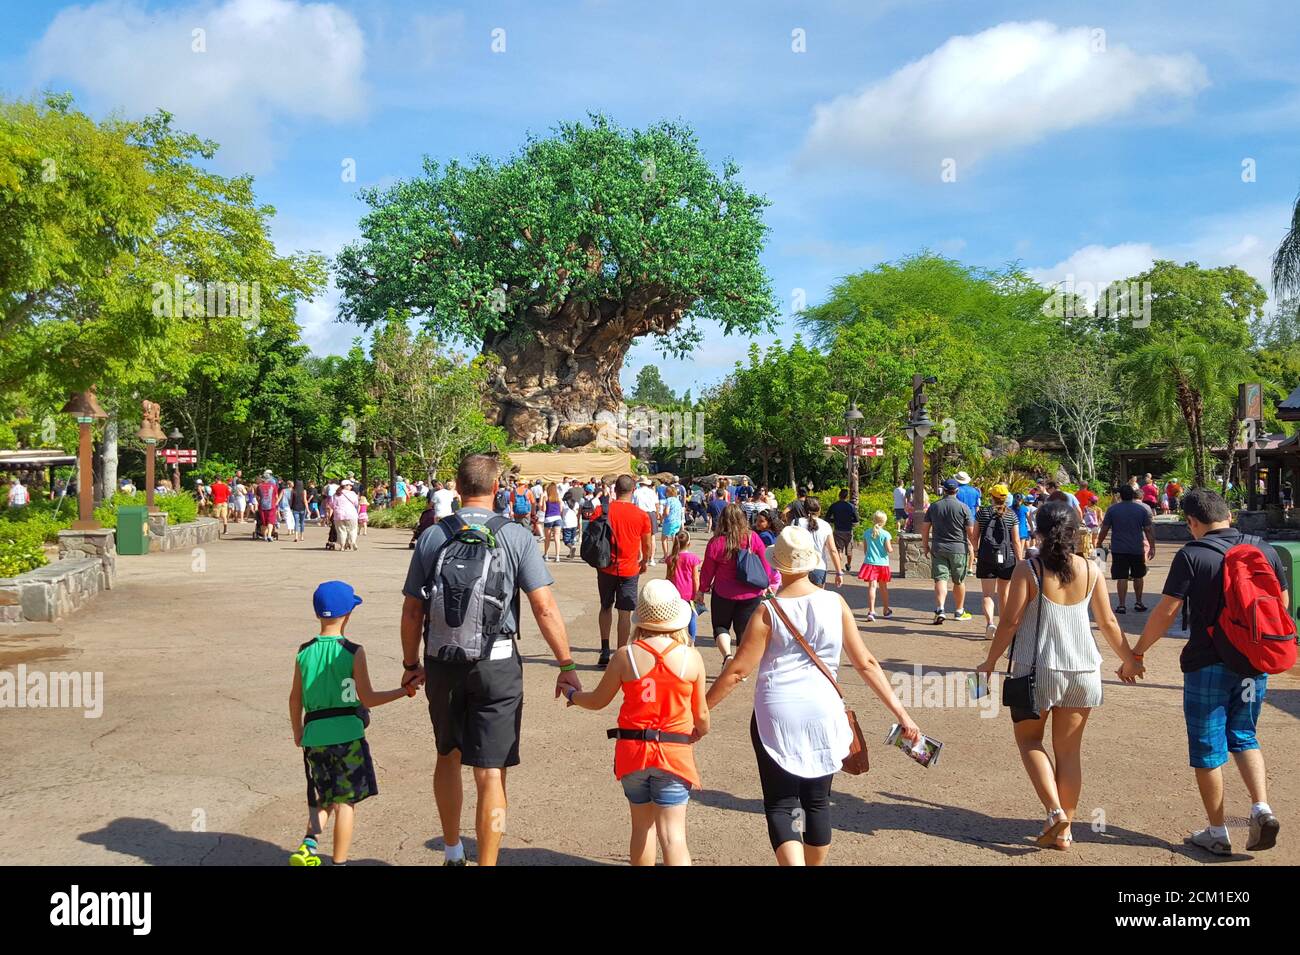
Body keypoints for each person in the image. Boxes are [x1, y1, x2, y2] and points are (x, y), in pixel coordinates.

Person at [399, 454, 581, 867]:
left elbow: (413, 611)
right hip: (497, 664)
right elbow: (544, 606)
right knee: (491, 769)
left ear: (457, 487)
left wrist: (412, 665)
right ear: (497, 488)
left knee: (447, 754)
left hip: (443, 660)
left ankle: (451, 851)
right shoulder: (515, 536)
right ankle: (488, 861)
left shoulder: (433, 536)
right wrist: (566, 665)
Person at [707, 526, 922, 865]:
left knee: (782, 803)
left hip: (775, 713)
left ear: (777, 565)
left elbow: (737, 672)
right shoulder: (834, 603)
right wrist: (903, 716)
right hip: (824, 709)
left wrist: (700, 709)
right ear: (811, 562)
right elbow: (866, 663)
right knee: (817, 802)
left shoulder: (769, 611)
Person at [1126, 488, 1285, 856]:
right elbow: (1281, 604)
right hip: (1253, 663)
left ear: (1193, 522)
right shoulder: (1264, 550)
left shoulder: (1192, 555)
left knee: (1207, 747)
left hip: (1207, 664)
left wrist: (1137, 652)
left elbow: (1166, 612)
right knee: (1244, 734)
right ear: (1228, 514)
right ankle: (1261, 807)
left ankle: (1217, 831)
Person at [976, 501, 1138, 851]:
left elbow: (1010, 621)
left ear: (1037, 528)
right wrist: (1129, 660)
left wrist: (989, 662)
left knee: (1029, 741)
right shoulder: (1092, 569)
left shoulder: (1028, 569)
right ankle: (1065, 831)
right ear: (1075, 530)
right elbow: (1108, 622)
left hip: (1035, 669)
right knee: (1069, 754)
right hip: (1084, 670)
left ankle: (1054, 813)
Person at [562, 579, 708, 865]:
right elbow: (701, 715)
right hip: (673, 753)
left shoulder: (624, 656)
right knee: (673, 836)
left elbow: (597, 701)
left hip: (632, 753)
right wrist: (699, 731)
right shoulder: (691, 658)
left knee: (642, 828)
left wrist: (572, 695)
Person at [288, 580, 415, 866]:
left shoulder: (303, 651)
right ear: (349, 614)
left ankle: (308, 845)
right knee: (345, 801)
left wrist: (298, 731)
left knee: (325, 795)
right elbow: (367, 698)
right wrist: (403, 691)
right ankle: (339, 861)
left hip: (314, 736)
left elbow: (295, 698)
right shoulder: (353, 651)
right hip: (347, 736)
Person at [697, 503, 779, 666]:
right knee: (745, 631)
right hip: (751, 593)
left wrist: (702, 589)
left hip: (723, 593)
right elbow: (765, 563)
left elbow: (707, 570)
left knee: (721, 626)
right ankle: (740, 665)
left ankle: (727, 656)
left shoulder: (716, 542)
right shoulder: (752, 537)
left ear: (722, 520)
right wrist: (767, 583)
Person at [1095, 484, 1156, 614]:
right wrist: (1152, 546)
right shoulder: (1141, 510)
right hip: (1136, 548)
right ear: (1133, 495)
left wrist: (1099, 542)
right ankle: (1139, 602)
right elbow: (1148, 529)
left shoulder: (1113, 510)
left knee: (1121, 577)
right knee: (1139, 575)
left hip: (1119, 548)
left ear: (1120, 496)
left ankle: (1121, 605)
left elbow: (1105, 528)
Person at [974, 483, 1024, 640]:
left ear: (992, 497)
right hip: (1006, 558)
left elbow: (974, 535)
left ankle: (990, 624)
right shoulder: (1011, 515)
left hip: (986, 557)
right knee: (1005, 593)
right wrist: (1020, 559)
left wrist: (976, 551)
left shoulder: (982, 513)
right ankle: (1004, 626)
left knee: (987, 595)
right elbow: (1016, 540)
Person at [922, 479, 974, 624]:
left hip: (939, 548)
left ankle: (940, 609)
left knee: (940, 579)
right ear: (957, 491)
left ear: (943, 490)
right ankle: (959, 611)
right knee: (959, 580)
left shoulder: (934, 507)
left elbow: (925, 528)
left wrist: (925, 545)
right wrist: (976, 548)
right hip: (959, 549)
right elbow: (970, 532)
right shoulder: (964, 508)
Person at [792, 498, 844, 588]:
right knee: (817, 600)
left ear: (804, 509)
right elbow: (833, 551)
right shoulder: (826, 526)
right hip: (819, 568)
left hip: (800, 567)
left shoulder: (796, 523)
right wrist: (839, 572)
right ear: (819, 509)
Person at [857, 510, 894, 621]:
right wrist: (890, 550)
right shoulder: (886, 534)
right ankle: (886, 609)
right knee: (883, 588)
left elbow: (865, 550)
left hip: (870, 563)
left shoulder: (867, 533)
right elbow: (889, 549)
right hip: (882, 564)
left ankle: (871, 611)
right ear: (884, 521)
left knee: (872, 587)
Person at [826, 488, 860, 572]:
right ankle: (848, 565)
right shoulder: (851, 506)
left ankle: (839, 566)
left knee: (839, 549)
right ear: (847, 496)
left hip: (838, 530)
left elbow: (827, 518)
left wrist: (834, 520)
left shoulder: (834, 505)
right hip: (848, 530)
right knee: (849, 550)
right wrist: (849, 521)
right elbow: (856, 519)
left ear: (839, 495)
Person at [632, 477, 660, 566]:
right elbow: (657, 504)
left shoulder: (636, 492)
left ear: (640, 483)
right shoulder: (652, 492)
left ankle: (641, 557)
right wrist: (657, 513)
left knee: (639, 537)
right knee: (652, 537)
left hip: (639, 513)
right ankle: (651, 558)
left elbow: (633, 504)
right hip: (651, 513)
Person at [332, 481, 361, 551]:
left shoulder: (336, 494)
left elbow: (332, 504)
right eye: (350, 485)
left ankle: (342, 546)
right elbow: (356, 503)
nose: (351, 487)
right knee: (353, 529)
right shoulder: (352, 494)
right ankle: (353, 542)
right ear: (346, 486)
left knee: (341, 531)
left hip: (338, 515)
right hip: (351, 514)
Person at [659, 485, 684, 562]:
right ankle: (677, 553)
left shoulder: (668, 500)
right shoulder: (677, 501)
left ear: (668, 492)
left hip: (669, 521)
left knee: (664, 538)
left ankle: (666, 556)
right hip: (677, 521)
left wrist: (662, 517)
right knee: (674, 537)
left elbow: (666, 512)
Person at [542, 482, 563, 562]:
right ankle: (557, 556)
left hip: (548, 518)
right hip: (557, 518)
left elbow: (544, 509)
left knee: (547, 538)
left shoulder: (546, 497)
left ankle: (546, 555)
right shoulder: (558, 498)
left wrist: (544, 502)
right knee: (557, 538)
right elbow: (561, 510)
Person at [256, 470, 279, 542]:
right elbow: (276, 496)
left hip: (262, 506)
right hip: (271, 506)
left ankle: (264, 536)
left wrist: (259, 502)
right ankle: (269, 535)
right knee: (270, 522)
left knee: (263, 522)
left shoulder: (259, 486)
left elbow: (257, 497)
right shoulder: (273, 486)